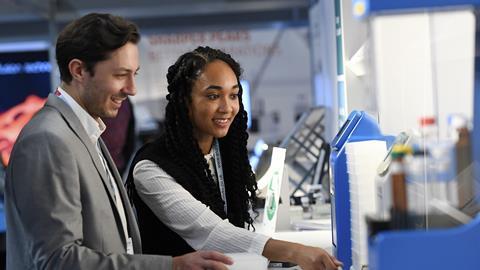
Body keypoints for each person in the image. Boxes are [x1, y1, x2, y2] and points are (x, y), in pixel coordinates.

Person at [4, 13, 233, 270]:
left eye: (134, 74)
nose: (132, 88)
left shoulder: (85, 132)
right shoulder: (48, 139)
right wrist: (172, 266)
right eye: (121, 75)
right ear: (78, 70)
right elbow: (59, 260)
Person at [126, 46, 343, 270]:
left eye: (234, 95)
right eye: (213, 96)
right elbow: (211, 232)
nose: (227, 107)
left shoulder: (223, 151)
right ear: (185, 102)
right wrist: (295, 251)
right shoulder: (150, 168)